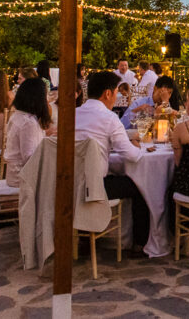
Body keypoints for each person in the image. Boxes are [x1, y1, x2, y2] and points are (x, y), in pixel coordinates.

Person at [76, 70, 149, 251]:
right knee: (141, 188)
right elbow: (131, 156)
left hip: (69, 184)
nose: (116, 98)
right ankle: (139, 244)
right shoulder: (109, 118)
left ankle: (85, 237)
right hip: (95, 188)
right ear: (107, 93)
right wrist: (138, 147)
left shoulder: (72, 114)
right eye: (116, 93)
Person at [4, 77, 53, 187]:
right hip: (21, 178)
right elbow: (30, 157)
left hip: (14, 173)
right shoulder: (28, 122)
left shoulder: (18, 115)